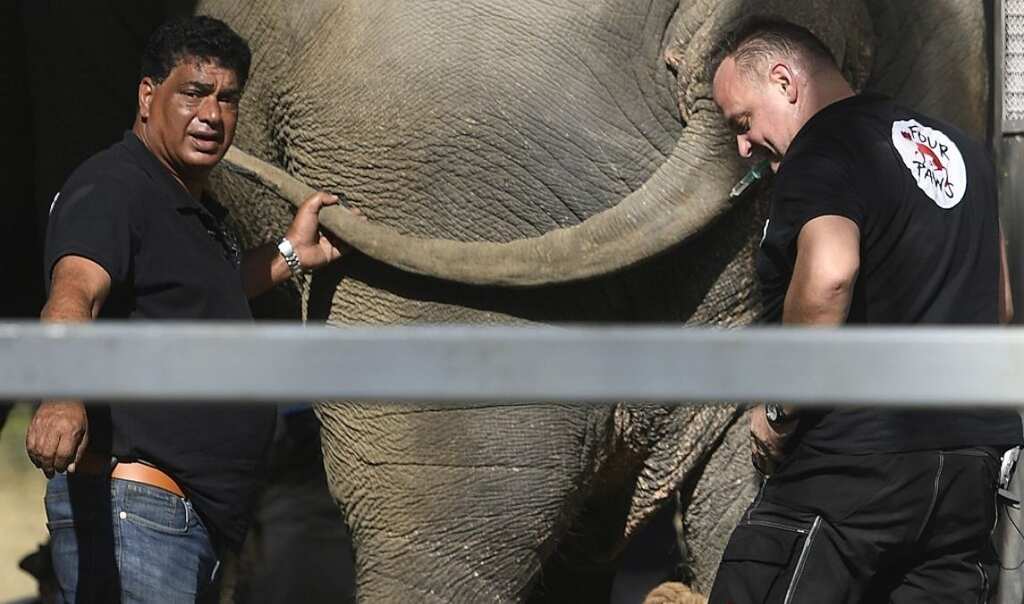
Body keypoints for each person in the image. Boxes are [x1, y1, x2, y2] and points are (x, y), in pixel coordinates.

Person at [25, 16, 357, 603]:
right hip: (137, 515)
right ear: (148, 96)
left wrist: (288, 254)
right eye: (194, 93)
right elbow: (75, 291)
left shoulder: (180, 206)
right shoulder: (114, 187)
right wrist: (61, 392)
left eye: (228, 98)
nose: (212, 115)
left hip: (179, 523)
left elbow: (203, 295)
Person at [707, 17, 1024, 603]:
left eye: (743, 123)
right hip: (967, 481)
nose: (742, 147)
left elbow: (830, 273)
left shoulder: (824, 145)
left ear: (784, 81)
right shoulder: (963, 151)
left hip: (851, 471)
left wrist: (778, 408)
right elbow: (1001, 302)